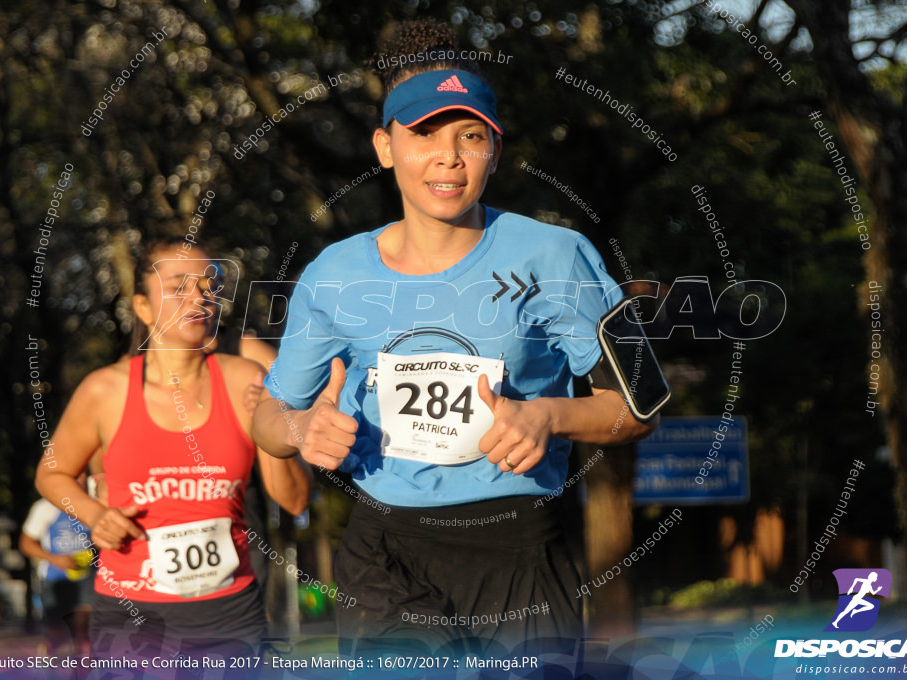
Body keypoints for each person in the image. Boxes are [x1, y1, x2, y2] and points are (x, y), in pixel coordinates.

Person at [254, 20, 657, 657]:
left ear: (495, 151)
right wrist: (303, 430)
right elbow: (268, 419)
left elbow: (639, 410)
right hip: (385, 553)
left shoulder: (561, 254)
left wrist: (547, 415)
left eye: (470, 136)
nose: (449, 156)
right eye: (425, 134)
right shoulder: (332, 273)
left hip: (520, 544)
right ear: (385, 147)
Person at [35, 237, 311, 661]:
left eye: (208, 286)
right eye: (179, 286)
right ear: (143, 308)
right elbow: (51, 474)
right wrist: (95, 516)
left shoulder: (245, 379)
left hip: (230, 614)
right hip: (132, 614)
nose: (199, 297)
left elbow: (293, 500)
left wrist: (273, 426)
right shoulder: (105, 390)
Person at [20, 493, 95, 656]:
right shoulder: (45, 507)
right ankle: (48, 658)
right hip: (54, 579)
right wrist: (55, 559)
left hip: (86, 578)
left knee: (85, 629)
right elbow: (26, 544)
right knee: (58, 632)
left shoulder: (92, 503)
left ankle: (86, 669)